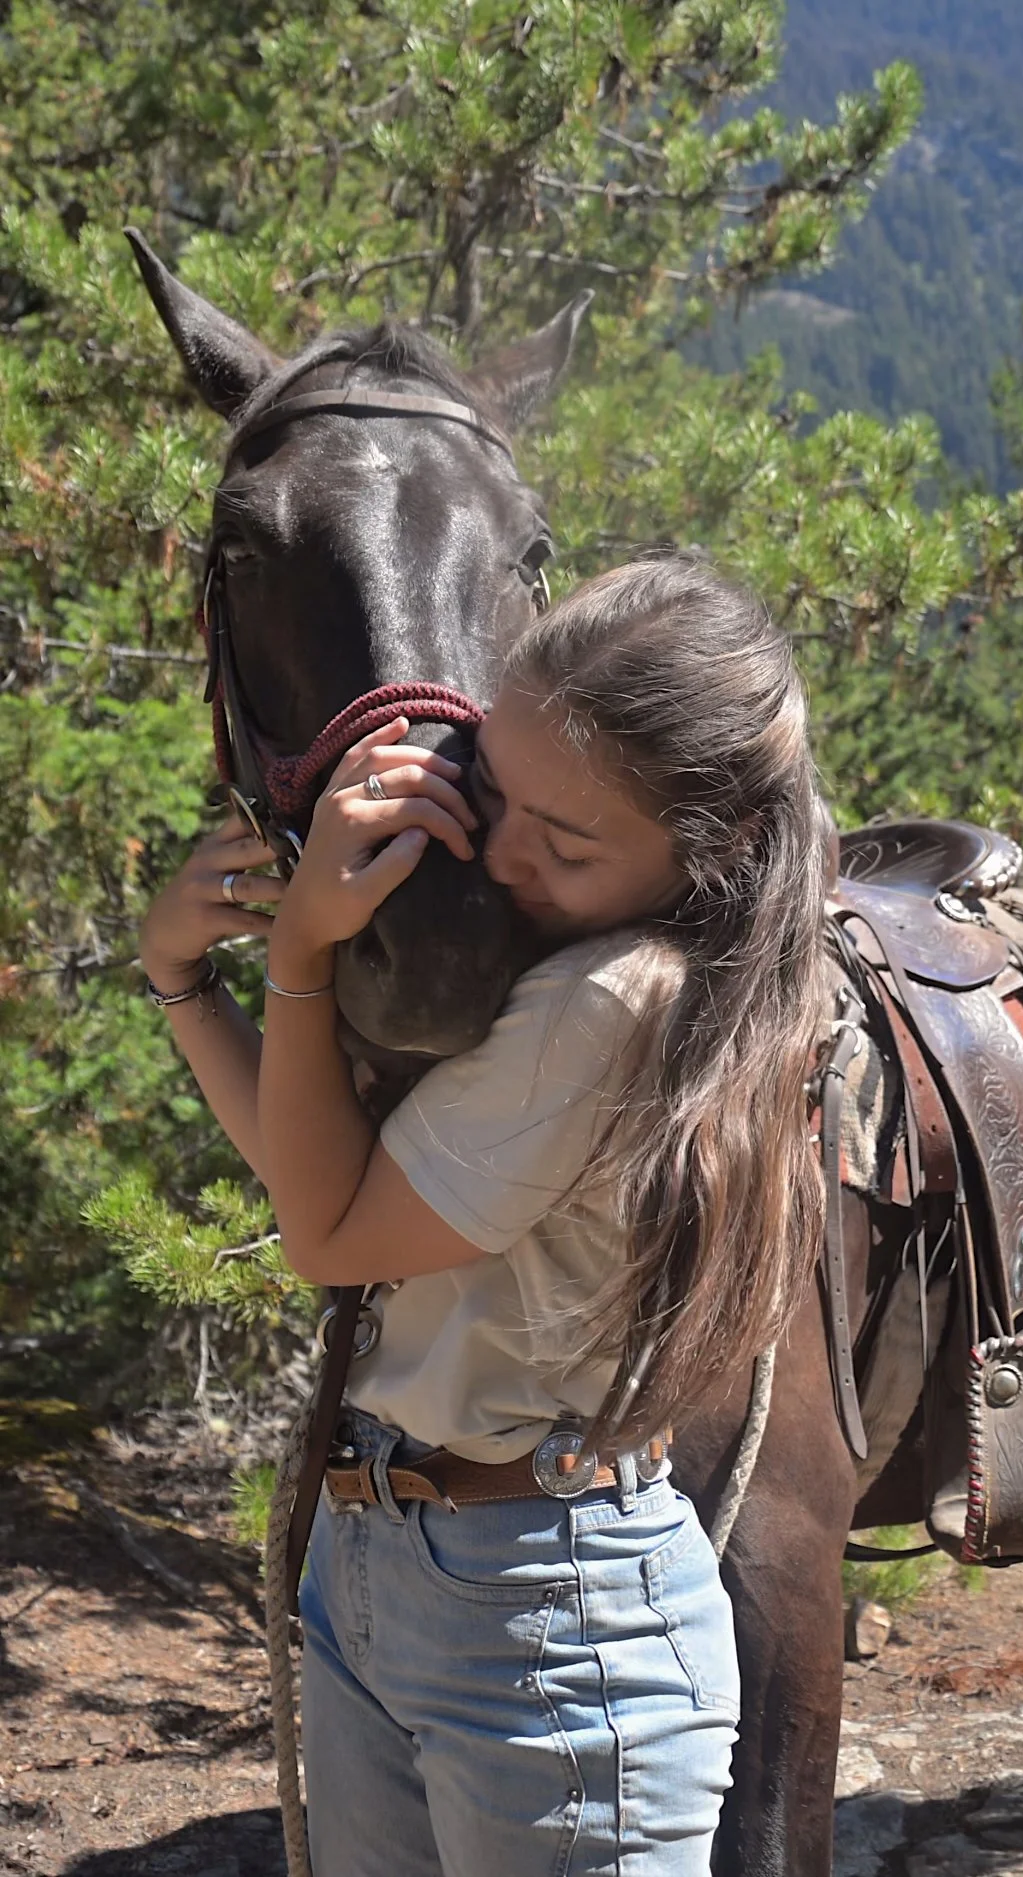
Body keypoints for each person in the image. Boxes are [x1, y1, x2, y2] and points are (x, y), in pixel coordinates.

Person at [140, 553, 829, 1877]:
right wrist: (183, 978)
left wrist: (300, 953)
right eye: (494, 792)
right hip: (396, 1558)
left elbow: (328, 1239)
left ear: (713, 852)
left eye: (566, 845)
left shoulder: (610, 1000)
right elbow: (332, 1190)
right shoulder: (568, 963)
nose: (500, 858)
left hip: (545, 1620)